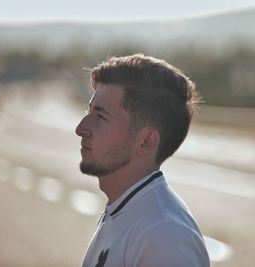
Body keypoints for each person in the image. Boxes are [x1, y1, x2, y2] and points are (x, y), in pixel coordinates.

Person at [75, 54, 210, 267]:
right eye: (89, 110)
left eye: (100, 116)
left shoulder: (165, 237)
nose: (81, 128)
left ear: (146, 142)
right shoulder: (127, 209)